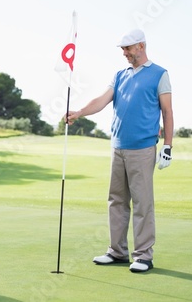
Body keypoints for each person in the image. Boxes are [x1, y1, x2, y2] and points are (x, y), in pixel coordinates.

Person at [66, 29, 173, 273]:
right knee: (117, 201)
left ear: (141, 46)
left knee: (142, 203)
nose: (124, 53)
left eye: (128, 48)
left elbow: (167, 112)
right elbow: (102, 100)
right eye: (122, 49)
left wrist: (167, 146)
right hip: (118, 147)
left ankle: (144, 256)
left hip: (143, 148)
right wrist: (79, 112)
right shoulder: (119, 75)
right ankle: (117, 252)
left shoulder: (159, 74)